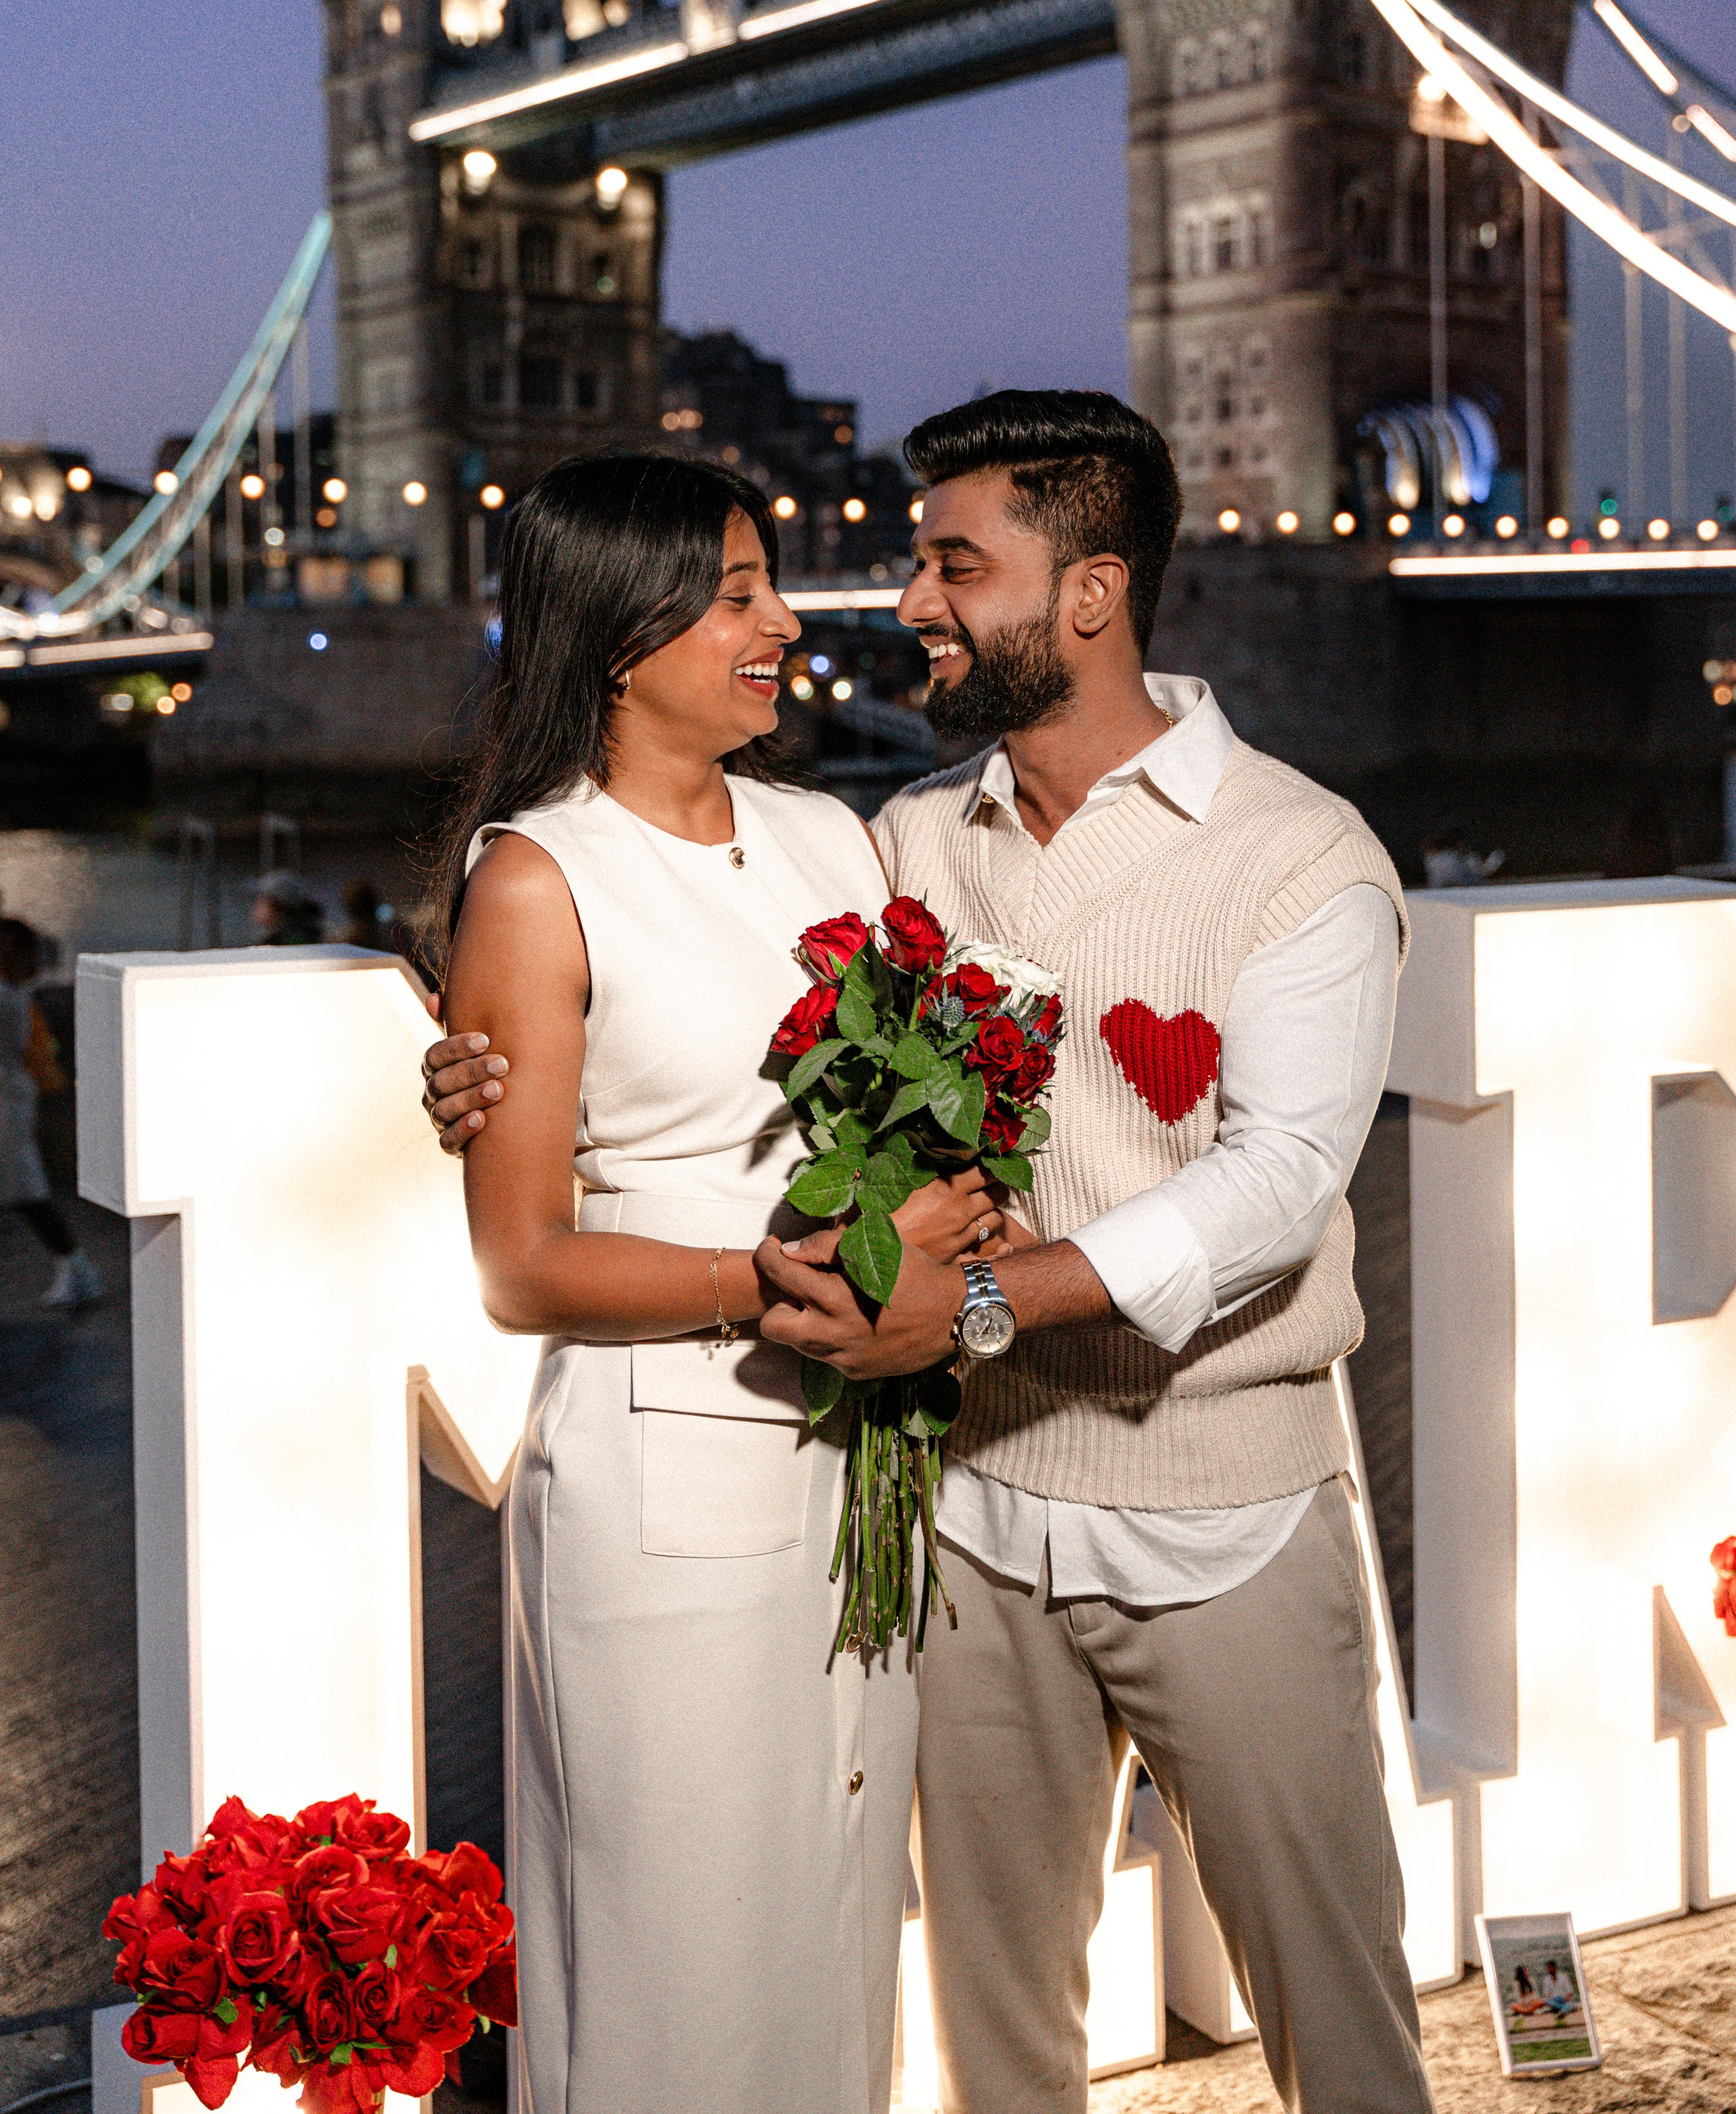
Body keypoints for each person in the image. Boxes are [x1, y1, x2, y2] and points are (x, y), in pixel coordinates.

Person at [426, 393, 1434, 2114]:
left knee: (1336, 2019)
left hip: (1218, 1513)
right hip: (951, 1524)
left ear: (1091, 592)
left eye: (952, 564)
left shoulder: (1298, 853)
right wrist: (471, 1060)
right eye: (911, 559)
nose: (896, 600)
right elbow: (675, 1000)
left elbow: (1270, 1185)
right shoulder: (896, 843)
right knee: (984, 2041)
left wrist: (962, 1294)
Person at [429, 451, 999, 2114]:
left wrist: (948, 1204)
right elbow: (519, 1260)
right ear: (620, 631)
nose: (776, 621)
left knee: (831, 1929)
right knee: (672, 1958)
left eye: (767, 584)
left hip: (859, 1466)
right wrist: (753, 1278)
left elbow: (917, 1096)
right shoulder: (535, 879)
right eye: (734, 591)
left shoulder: (833, 840)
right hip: (661, 1479)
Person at [0, 915, 101, 1310]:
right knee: (26, 1193)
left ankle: (77, 1268)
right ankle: (76, 1269)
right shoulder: (15, 994)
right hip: (12, 1098)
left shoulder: (9, 998)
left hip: (7, 1103)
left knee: (28, 1194)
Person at [252, 869, 323, 945]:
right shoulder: (279, 938)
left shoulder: (293, 941)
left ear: (278, 906)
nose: (256, 907)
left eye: (262, 901)